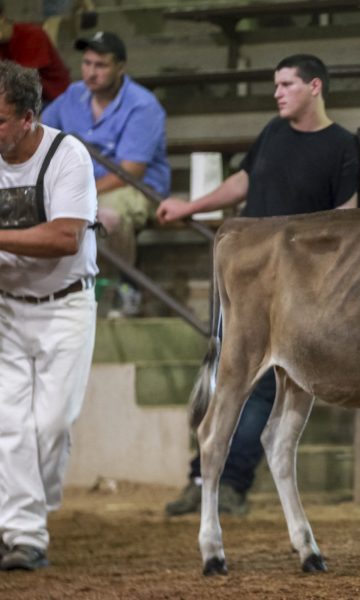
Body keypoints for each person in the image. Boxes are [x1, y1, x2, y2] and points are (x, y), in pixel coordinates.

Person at [157, 54, 360, 516]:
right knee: (228, 377)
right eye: (276, 85)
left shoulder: (342, 146)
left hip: (295, 287)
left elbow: (345, 220)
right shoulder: (273, 132)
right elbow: (243, 181)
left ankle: (228, 481)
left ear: (314, 86)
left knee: (262, 383)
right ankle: (205, 477)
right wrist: (190, 207)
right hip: (248, 278)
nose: (277, 93)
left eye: (287, 84)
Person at [0, 60, 98, 571]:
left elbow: (66, 237)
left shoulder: (67, 155)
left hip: (66, 304)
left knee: (52, 425)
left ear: (28, 118)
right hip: (7, 306)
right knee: (10, 423)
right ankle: (24, 535)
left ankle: (31, 511)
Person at [41, 30, 170, 316]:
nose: (91, 72)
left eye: (101, 65)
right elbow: (40, 133)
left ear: (120, 67)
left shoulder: (143, 105)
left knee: (106, 215)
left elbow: (130, 171)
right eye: (87, 63)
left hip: (137, 187)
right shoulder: (73, 95)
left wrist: (77, 192)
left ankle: (126, 285)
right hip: (84, 185)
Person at [0, 0, 70, 102]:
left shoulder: (31, 34)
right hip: (21, 98)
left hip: (52, 98)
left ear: (2, 18)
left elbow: (22, 81)